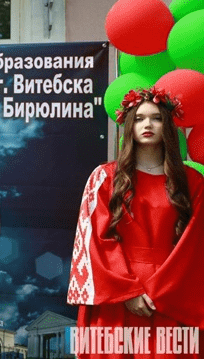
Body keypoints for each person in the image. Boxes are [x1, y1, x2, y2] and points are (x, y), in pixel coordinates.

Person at [67, 87, 204, 358]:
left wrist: (160, 292)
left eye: (156, 118)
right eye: (139, 118)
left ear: (168, 126)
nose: (147, 124)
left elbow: (195, 243)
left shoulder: (193, 182)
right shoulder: (104, 178)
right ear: (129, 125)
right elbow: (94, 239)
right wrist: (127, 291)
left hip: (171, 297)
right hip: (116, 298)